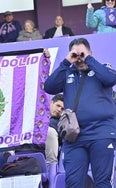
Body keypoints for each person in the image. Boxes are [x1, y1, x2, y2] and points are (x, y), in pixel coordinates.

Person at [44, 37, 116, 187]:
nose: (79, 59)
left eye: (82, 54)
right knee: (73, 183)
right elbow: (49, 87)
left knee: (102, 182)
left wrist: (88, 59)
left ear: (91, 53)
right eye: (75, 55)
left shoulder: (101, 69)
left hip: (101, 134)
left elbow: (111, 78)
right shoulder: (67, 72)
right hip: (74, 137)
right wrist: (65, 62)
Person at [45, 93, 64, 166]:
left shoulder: (60, 121)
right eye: (58, 106)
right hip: (30, 145)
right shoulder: (38, 115)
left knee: (50, 131)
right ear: (51, 103)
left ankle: (51, 166)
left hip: (45, 149)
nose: (59, 110)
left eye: (62, 109)